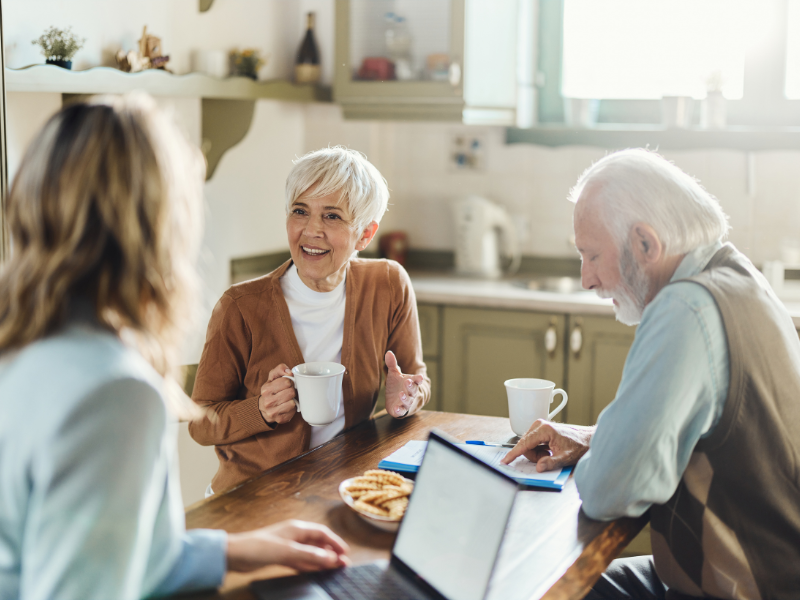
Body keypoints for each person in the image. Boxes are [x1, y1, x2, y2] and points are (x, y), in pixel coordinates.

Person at [0, 95, 349, 600]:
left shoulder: (24, 341)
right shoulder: (113, 390)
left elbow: (99, 552)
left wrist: (235, 550)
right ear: (158, 224)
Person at [503, 148, 800, 599]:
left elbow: (609, 490)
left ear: (645, 243)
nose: (586, 278)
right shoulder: (737, 276)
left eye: (592, 255)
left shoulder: (685, 308)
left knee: (529, 583)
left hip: (749, 589)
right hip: (770, 571)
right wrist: (594, 438)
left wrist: (606, 451)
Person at [189, 147, 430, 495]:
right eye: (300, 211)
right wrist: (260, 409)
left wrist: (407, 397)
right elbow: (200, 424)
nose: (311, 230)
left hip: (340, 485)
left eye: (332, 216)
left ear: (365, 234)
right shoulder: (240, 306)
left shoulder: (389, 284)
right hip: (253, 496)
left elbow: (416, 379)